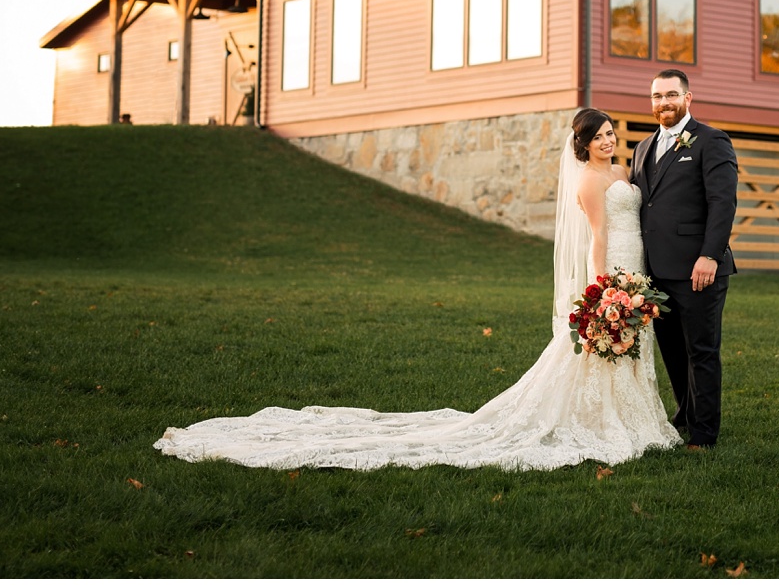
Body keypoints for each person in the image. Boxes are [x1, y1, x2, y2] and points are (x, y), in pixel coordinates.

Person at [152, 108, 679, 471]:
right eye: (599, 135)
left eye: (611, 131)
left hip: (638, 272)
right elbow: (596, 241)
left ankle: (636, 418)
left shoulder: (623, 173)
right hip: (614, 273)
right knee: (602, 352)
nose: (608, 139)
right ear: (582, 145)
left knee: (624, 353)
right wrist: (603, 290)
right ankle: (607, 423)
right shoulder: (590, 181)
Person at [631, 69, 737, 448]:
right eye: (657, 96)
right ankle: (686, 415)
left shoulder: (712, 141)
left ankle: (704, 434)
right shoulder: (642, 148)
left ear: (688, 98)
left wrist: (710, 255)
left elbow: (722, 203)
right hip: (656, 271)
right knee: (673, 352)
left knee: (701, 351)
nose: (664, 103)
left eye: (671, 95)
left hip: (698, 269)